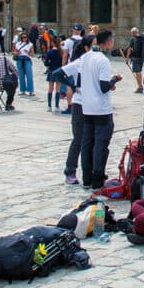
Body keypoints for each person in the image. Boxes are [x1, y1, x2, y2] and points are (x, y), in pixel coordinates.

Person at [78, 29, 123, 189]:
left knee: (87, 142)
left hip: (87, 106)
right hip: (101, 108)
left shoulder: (84, 57)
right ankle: (97, 177)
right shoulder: (103, 60)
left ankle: (87, 177)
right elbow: (104, 86)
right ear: (108, 42)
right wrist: (114, 79)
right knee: (100, 144)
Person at [59, 34, 92, 184]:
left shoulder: (97, 62)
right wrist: (73, 85)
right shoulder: (79, 62)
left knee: (91, 139)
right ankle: (70, 170)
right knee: (78, 139)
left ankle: (90, 170)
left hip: (93, 105)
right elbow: (58, 73)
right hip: (80, 105)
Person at [126, 27, 144, 94]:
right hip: (142, 58)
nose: (131, 34)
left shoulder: (133, 39)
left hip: (135, 57)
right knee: (139, 72)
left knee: (137, 72)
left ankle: (140, 87)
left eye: (132, 33)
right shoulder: (143, 38)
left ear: (133, 32)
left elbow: (129, 49)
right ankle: (140, 86)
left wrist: (127, 58)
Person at [14, 31, 35, 97]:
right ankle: (22, 90)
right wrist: (17, 53)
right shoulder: (18, 44)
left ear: (27, 37)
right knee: (21, 76)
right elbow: (14, 52)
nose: (24, 38)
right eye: (22, 37)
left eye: (25, 37)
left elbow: (32, 54)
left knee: (29, 76)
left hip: (27, 60)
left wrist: (28, 52)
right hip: (19, 60)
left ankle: (31, 91)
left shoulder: (30, 44)